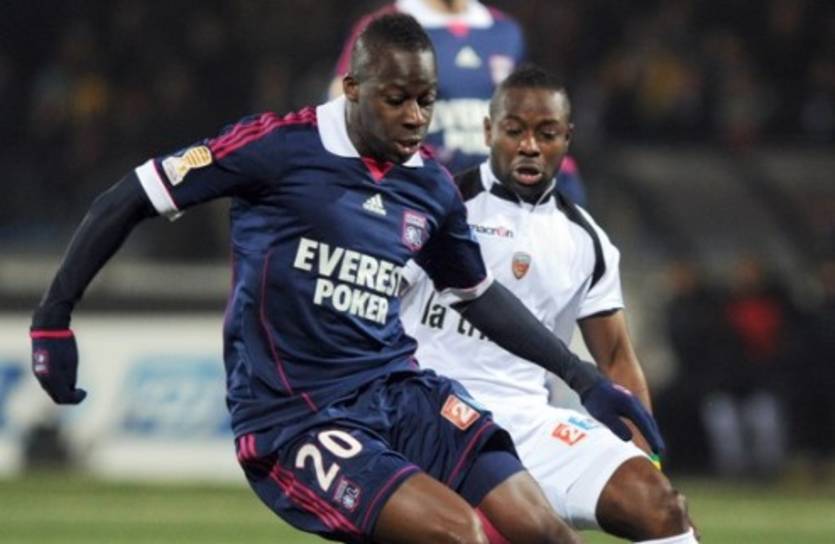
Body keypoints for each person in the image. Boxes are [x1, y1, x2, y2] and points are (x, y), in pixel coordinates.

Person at [29, 14, 663, 544]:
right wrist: (54, 317)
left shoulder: (430, 185)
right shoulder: (278, 149)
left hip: (399, 391)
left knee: (544, 531)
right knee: (457, 534)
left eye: (427, 101)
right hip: (297, 415)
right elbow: (130, 197)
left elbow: (478, 296)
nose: (416, 117)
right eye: (397, 99)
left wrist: (583, 377)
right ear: (353, 88)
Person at [400, 64, 698, 543]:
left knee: (661, 506)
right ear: (488, 131)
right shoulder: (435, 209)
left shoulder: (587, 240)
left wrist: (647, 457)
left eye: (546, 133)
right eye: (514, 130)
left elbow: (616, 358)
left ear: (567, 138)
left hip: (528, 422)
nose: (530, 146)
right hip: (431, 416)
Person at [330, 0, 587, 205]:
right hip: (415, 193)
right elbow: (341, 106)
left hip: (490, 197)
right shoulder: (383, 26)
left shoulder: (505, 32)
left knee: (564, 178)